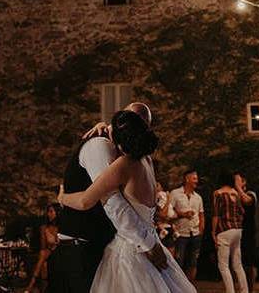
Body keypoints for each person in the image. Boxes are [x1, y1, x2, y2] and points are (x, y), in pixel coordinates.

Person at [58, 109, 196, 292]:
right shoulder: (147, 161)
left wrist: (62, 197)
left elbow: (85, 201)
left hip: (129, 249)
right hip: (150, 238)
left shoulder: (122, 166)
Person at [211, 170, 250, 293]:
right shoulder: (236, 193)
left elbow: (216, 214)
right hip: (237, 230)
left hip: (224, 230)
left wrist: (213, 231)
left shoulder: (218, 193)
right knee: (237, 264)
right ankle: (245, 291)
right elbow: (242, 212)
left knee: (223, 265)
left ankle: (230, 291)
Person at [170, 169, 204, 285]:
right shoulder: (175, 194)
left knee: (193, 262)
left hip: (195, 233)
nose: (197, 181)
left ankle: (190, 287)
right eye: (194, 178)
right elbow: (169, 211)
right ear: (187, 179)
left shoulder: (198, 197)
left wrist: (201, 229)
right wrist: (182, 214)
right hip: (180, 233)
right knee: (178, 261)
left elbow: (201, 214)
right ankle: (178, 287)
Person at [26, 203, 61, 292]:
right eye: (48, 212)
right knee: (44, 264)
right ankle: (39, 288)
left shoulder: (62, 227)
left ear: (57, 212)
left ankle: (30, 286)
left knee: (43, 261)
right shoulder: (44, 228)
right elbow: (43, 247)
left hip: (59, 253)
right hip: (48, 254)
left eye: (51, 211)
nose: (48, 214)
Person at [237, 173, 258, 290]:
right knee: (239, 262)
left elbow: (247, 201)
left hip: (248, 231)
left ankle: (251, 288)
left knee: (250, 261)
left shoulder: (251, 194)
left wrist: (238, 186)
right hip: (237, 231)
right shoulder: (234, 194)